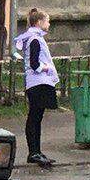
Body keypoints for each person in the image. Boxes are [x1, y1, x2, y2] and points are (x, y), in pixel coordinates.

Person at [14, 9, 59, 167]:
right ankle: (33, 152)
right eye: (47, 21)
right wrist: (45, 68)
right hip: (38, 82)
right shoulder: (35, 39)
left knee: (37, 117)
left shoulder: (35, 38)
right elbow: (34, 63)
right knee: (34, 117)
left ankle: (36, 151)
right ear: (39, 23)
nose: (49, 24)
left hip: (38, 82)